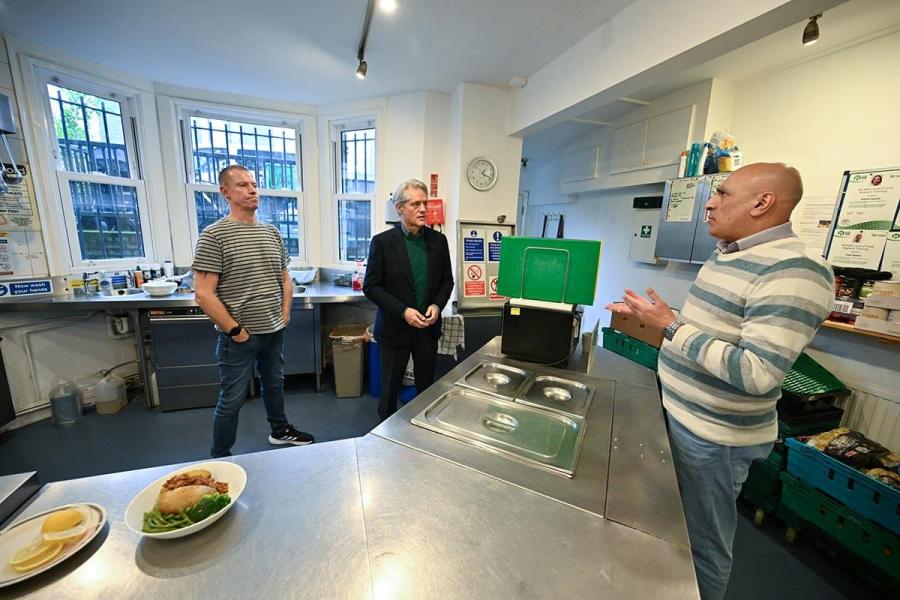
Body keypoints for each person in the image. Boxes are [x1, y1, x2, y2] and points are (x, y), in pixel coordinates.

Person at [607, 163, 833, 600]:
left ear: (762, 203)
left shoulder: (796, 271)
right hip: (681, 415)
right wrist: (654, 318)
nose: (709, 203)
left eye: (723, 194)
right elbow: (712, 329)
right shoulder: (729, 252)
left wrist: (670, 326)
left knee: (701, 543)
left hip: (715, 438)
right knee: (671, 528)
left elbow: (756, 372)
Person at [193, 164, 314, 457]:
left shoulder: (271, 232)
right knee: (232, 398)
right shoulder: (214, 236)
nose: (252, 190)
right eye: (243, 186)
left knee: (274, 384)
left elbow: (284, 278)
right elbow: (203, 294)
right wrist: (235, 331)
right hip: (240, 337)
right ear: (225, 193)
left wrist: (285, 312)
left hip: (274, 330)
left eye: (254, 184)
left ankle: (280, 431)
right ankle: (220, 455)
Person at [363, 179, 454, 421]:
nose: (423, 209)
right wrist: (403, 311)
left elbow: (447, 281)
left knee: (426, 389)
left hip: (427, 328)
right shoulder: (383, 243)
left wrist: (436, 305)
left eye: (425, 203)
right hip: (395, 329)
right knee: (389, 389)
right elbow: (371, 286)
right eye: (415, 204)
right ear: (399, 209)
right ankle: (385, 436)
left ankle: (421, 431)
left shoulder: (438, 241)